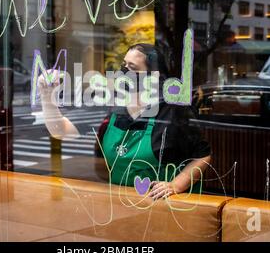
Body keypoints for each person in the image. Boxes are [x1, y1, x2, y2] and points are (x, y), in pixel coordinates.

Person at [37, 43, 212, 200]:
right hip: (119, 205)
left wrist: (175, 185)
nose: (123, 72)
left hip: (164, 208)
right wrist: (47, 97)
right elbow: (62, 131)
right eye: (124, 65)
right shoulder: (115, 108)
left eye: (132, 67)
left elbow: (202, 156)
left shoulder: (172, 111)